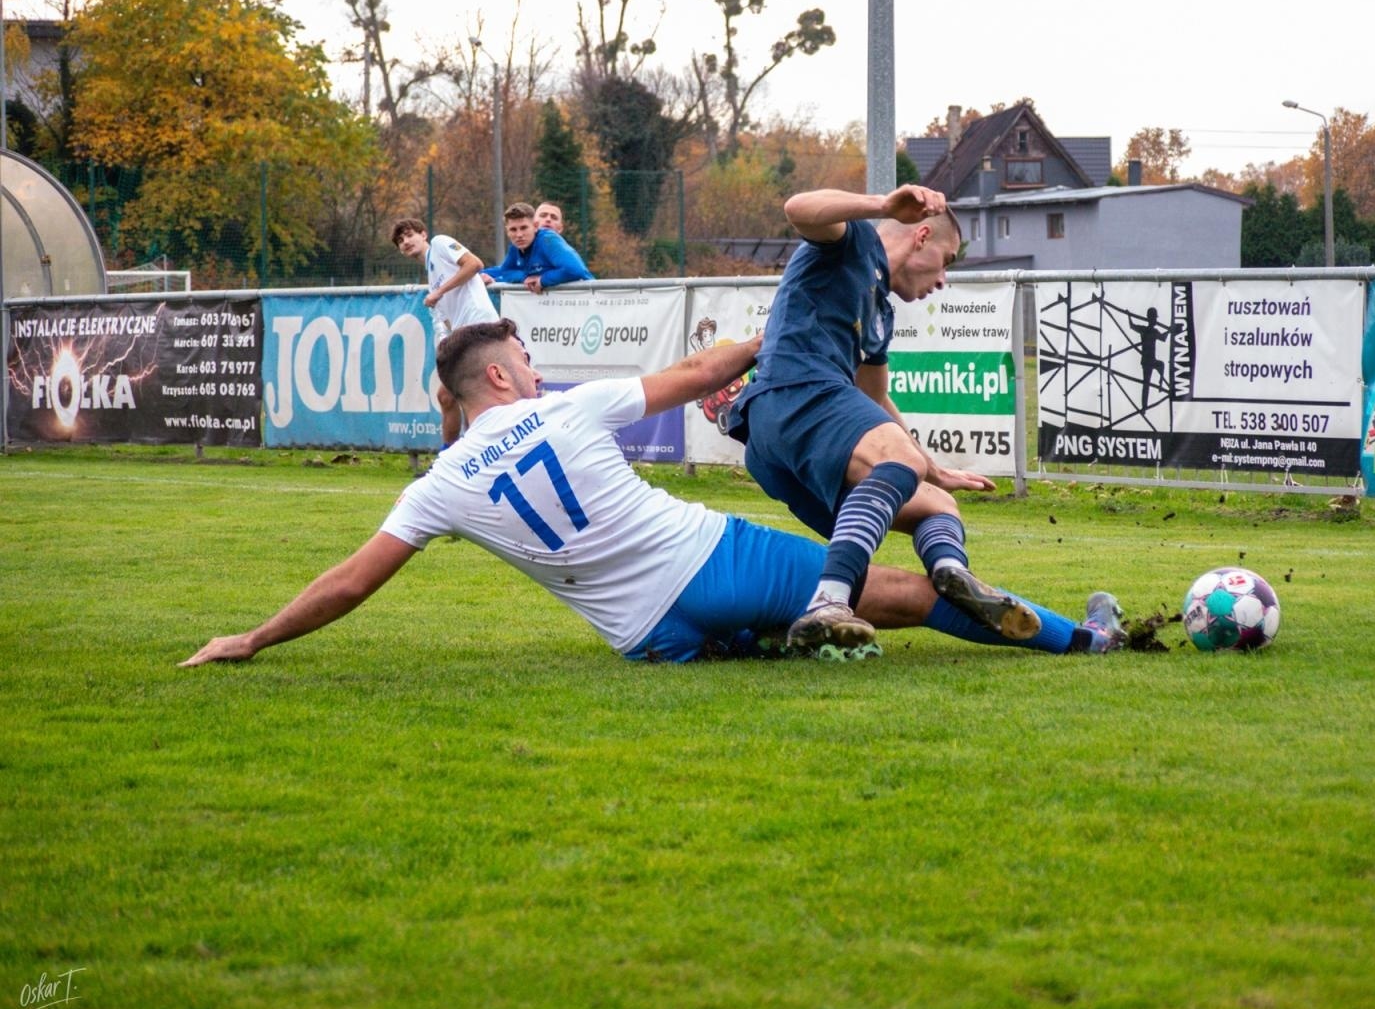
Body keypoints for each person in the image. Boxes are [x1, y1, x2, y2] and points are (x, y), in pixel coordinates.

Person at [179, 320, 1127, 669]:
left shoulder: (439, 486)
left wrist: (252, 637)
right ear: (500, 381)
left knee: (777, 632)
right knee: (910, 594)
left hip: (644, 641)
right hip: (710, 563)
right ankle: (1089, 639)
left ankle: (760, 641)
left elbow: (350, 582)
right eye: (525, 362)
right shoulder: (570, 410)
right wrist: (779, 335)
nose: (537, 372)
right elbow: (698, 368)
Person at [725, 185, 1125, 653]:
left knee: (935, 505)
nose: (943, 279)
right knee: (900, 466)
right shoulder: (853, 243)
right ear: (920, 237)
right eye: (948, 259)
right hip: (794, 396)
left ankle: (1051, 624)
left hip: (777, 449)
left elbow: (873, 399)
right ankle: (829, 600)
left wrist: (933, 468)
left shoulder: (880, 315)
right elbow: (797, 208)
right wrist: (881, 206)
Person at [391, 217, 500, 447]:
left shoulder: (440, 244)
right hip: (463, 335)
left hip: (479, 328)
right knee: (448, 396)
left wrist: (440, 291)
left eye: (409, 235)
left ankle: (461, 460)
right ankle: (453, 458)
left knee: (469, 397)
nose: (405, 242)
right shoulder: (432, 277)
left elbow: (474, 264)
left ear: (423, 234)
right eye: (400, 241)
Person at [480, 201, 594, 294]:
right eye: (513, 230)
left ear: (535, 226)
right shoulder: (517, 246)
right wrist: (524, 278)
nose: (519, 235)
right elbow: (506, 271)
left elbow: (575, 270)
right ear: (507, 231)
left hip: (586, 301)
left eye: (524, 228)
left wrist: (542, 280)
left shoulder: (548, 239)